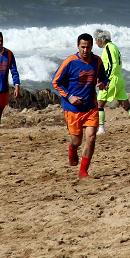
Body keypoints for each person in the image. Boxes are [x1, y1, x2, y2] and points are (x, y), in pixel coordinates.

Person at [53, 33, 109, 178]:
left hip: (90, 106)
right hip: (72, 109)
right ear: (78, 46)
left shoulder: (97, 61)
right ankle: (72, 148)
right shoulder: (70, 62)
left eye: (88, 47)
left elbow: (103, 78)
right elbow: (56, 82)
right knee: (77, 140)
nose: (85, 50)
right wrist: (70, 97)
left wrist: (103, 84)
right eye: (83, 47)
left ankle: (83, 171)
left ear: (92, 47)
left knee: (91, 137)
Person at [93, 29, 130, 134]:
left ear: (100, 39)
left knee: (99, 104)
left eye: (96, 40)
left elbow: (112, 65)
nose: (95, 42)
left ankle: (101, 129)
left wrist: (107, 80)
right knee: (125, 104)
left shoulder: (108, 48)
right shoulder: (114, 47)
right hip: (119, 79)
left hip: (112, 79)